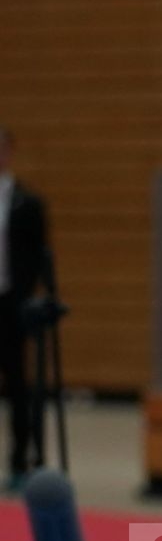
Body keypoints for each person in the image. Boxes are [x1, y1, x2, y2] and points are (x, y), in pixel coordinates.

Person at [0, 127, 48, 493]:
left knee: (17, 384)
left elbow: (37, 258)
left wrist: (28, 300)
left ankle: (21, 461)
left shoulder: (26, 203)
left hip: (10, 303)